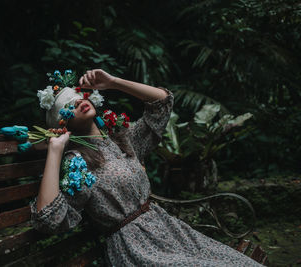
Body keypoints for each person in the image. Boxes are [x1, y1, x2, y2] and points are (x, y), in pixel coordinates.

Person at [31, 69, 263, 266]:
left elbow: (161, 103)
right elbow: (49, 220)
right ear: (62, 122)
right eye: (67, 105)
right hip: (137, 248)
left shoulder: (121, 138)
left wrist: (113, 82)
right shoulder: (77, 162)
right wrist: (55, 152)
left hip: (168, 231)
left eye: (78, 96)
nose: (78, 102)